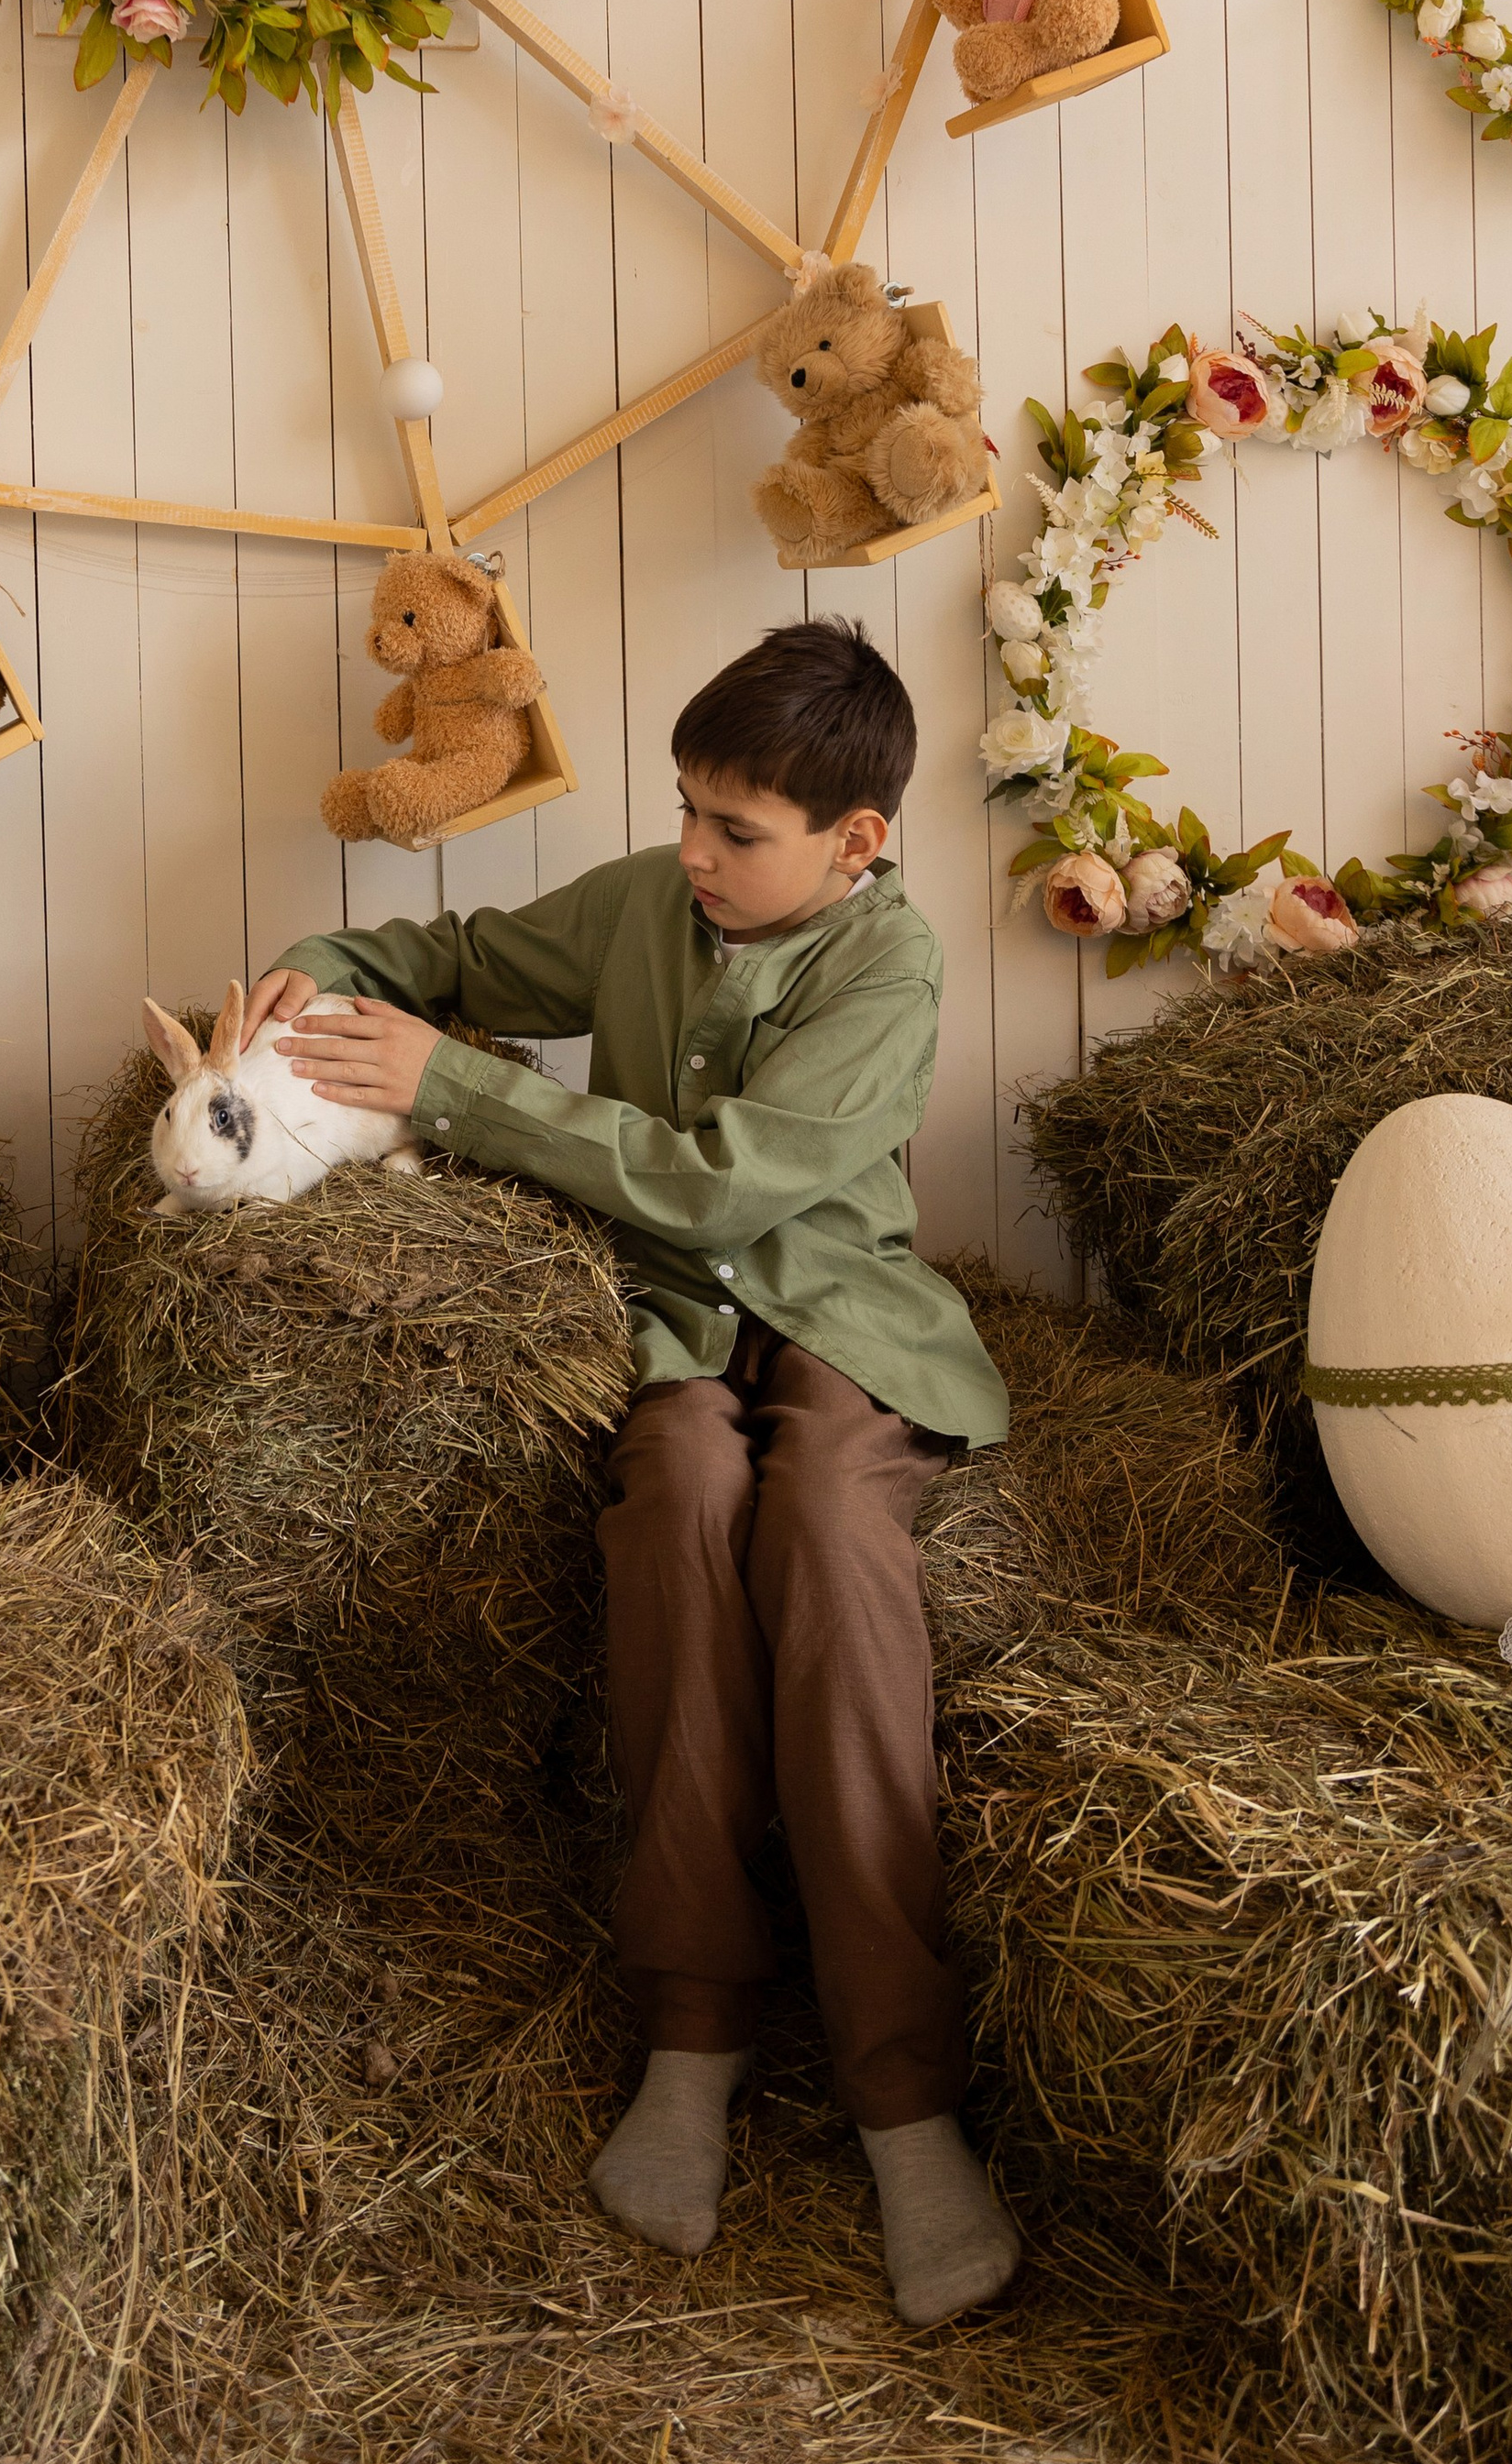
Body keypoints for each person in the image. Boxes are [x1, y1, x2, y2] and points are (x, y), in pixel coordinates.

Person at [240, 615, 1020, 2328]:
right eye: (687, 810)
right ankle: (694, 2036)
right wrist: (306, 978)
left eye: (737, 831)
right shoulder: (641, 907)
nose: (694, 855)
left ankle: (904, 2100)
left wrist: (455, 1097)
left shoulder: (892, 969)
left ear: (856, 842)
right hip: (670, 1336)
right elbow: (434, 952)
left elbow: (725, 1190)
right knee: (676, 1499)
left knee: (820, 1523)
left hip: (839, 1324)